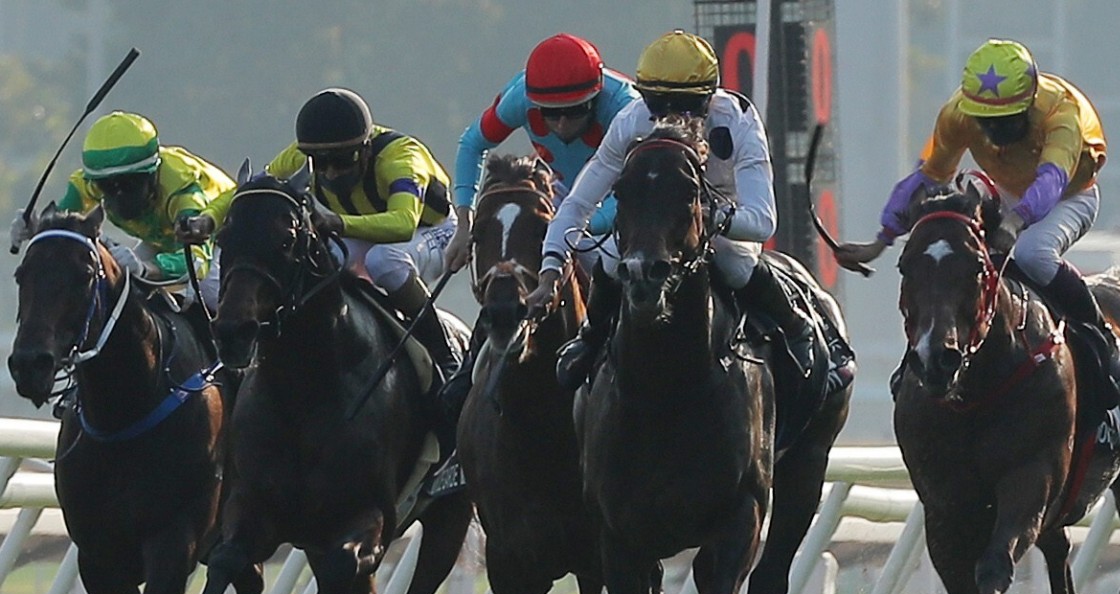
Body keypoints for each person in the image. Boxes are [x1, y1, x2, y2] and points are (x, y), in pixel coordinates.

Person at [835, 39, 1120, 437]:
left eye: (1007, 122)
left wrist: (1014, 222)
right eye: (986, 123)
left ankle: (1101, 338)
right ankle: (926, 350)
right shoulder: (957, 114)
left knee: (1033, 254)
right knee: (955, 223)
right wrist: (881, 240)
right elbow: (928, 178)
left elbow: (1050, 181)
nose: (995, 135)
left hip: (1067, 196)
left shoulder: (1063, 113)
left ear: (1029, 101)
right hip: (1004, 188)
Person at [545, 30, 852, 395]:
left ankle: (797, 326)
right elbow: (578, 203)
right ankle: (591, 335)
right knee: (613, 261)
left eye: (686, 107)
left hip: (721, 215)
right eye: (659, 107)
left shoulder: (738, 120)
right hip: (658, 221)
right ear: (645, 100)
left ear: (709, 98)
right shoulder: (630, 122)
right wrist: (551, 262)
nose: (673, 118)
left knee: (735, 264)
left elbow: (763, 221)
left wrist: (709, 216)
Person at [180, 88, 461, 385]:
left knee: (384, 261)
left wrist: (336, 222)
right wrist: (208, 219)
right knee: (320, 258)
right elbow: (253, 190)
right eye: (321, 163)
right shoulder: (300, 155)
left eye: (342, 161)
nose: (330, 173)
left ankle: (444, 354)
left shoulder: (401, 159)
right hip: (363, 228)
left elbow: (403, 223)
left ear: (365, 148)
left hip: (430, 231)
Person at [437, 33, 638, 414]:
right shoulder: (520, 99)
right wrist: (464, 223)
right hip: (563, 192)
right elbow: (472, 144)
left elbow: (632, 190)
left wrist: (579, 226)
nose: (560, 124)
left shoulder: (626, 108)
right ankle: (472, 364)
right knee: (513, 259)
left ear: (596, 98)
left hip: (620, 197)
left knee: (610, 264)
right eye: (550, 113)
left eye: (574, 112)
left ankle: (623, 362)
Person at [9, 110, 232, 314]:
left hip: (220, 240)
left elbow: (196, 264)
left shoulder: (182, 192)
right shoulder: (89, 183)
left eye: (129, 184)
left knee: (212, 295)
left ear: (153, 174)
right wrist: (36, 229)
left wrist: (146, 269)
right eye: (108, 187)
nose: (119, 195)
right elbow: (59, 229)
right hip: (161, 241)